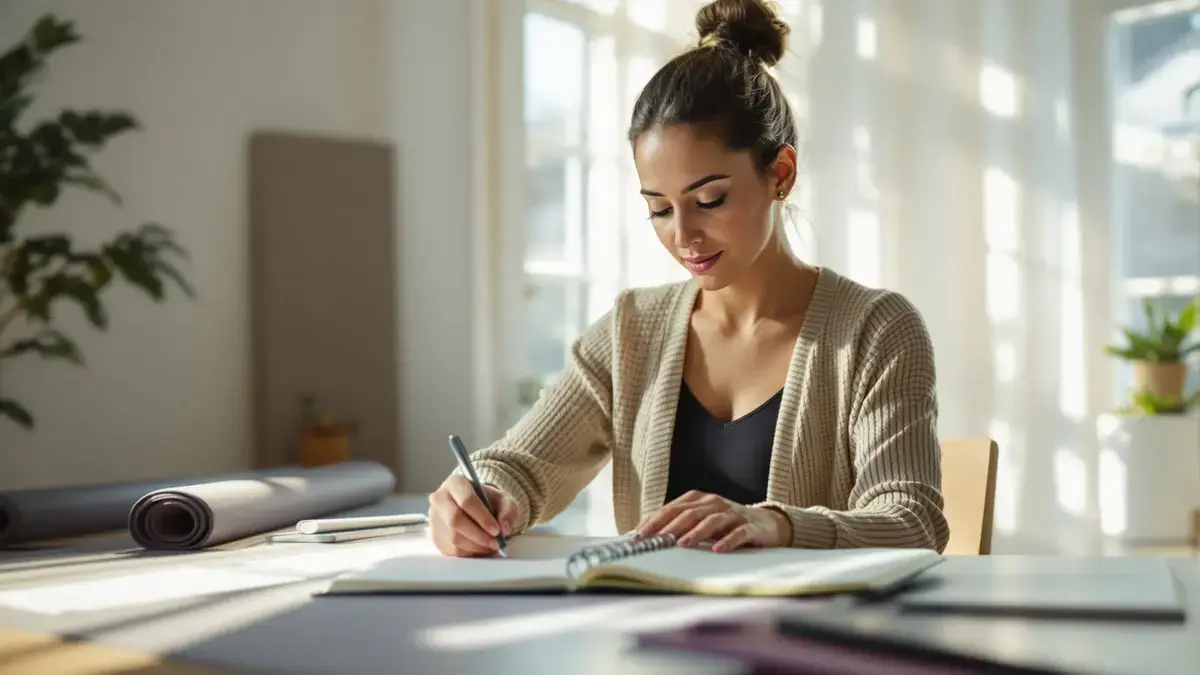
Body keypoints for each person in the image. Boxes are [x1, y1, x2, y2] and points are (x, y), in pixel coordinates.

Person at [429, 0, 949, 557]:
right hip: (654, 635)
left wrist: (774, 524)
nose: (683, 236)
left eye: (709, 199)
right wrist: (479, 494)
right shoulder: (632, 331)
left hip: (813, 640)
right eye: (659, 209)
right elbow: (523, 465)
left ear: (782, 174)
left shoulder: (875, 332)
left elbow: (912, 520)